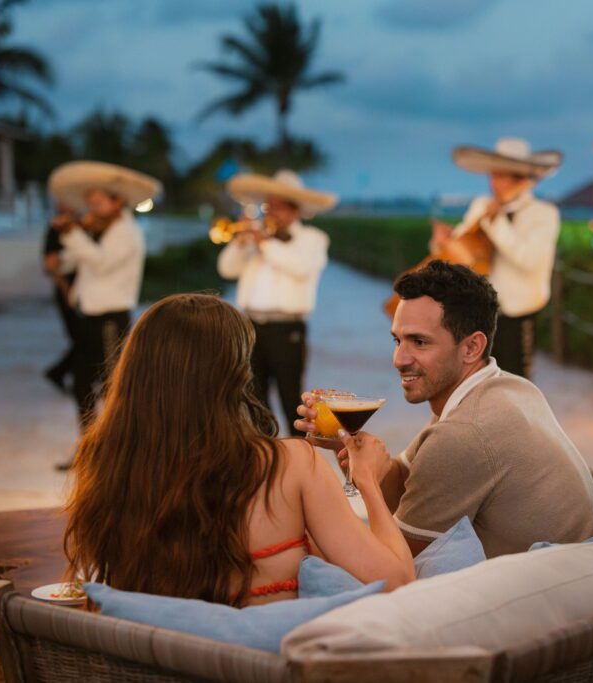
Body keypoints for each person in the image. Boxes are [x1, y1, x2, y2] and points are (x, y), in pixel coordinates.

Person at [63, 294, 414, 606]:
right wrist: (365, 478)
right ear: (234, 376)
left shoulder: (108, 464)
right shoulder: (289, 465)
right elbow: (395, 581)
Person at [296, 261, 593, 558]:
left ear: (472, 347)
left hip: (544, 602)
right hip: (584, 577)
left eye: (419, 342)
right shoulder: (508, 388)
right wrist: (350, 444)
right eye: (397, 340)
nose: (399, 360)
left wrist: (361, 479)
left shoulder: (464, 433)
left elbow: (393, 565)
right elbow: (404, 481)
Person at [48, 161, 157, 469]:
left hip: (112, 319)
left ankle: (120, 452)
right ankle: (90, 446)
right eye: (90, 203)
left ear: (116, 202)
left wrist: (73, 235)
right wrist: (64, 247)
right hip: (89, 317)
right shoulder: (97, 231)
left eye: (97, 203)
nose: (91, 208)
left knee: (113, 388)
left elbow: (101, 263)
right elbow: (73, 262)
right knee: (82, 384)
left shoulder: (127, 232)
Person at [432, 138, 563, 379]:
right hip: (480, 312)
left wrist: (495, 222)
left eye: (500, 176)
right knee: (477, 382)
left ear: (520, 178)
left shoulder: (544, 214)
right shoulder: (482, 205)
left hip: (517, 313)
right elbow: (463, 251)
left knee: (516, 384)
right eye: (492, 175)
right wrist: (443, 242)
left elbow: (529, 259)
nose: (493, 183)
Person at [218, 169, 335, 435]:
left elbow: (301, 268)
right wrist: (241, 243)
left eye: (278, 207)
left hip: (286, 329)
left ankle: (300, 457)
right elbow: (226, 269)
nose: (270, 213)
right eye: (268, 206)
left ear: (294, 211)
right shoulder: (256, 235)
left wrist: (266, 245)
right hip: (250, 326)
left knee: (290, 395)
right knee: (252, 397)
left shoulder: (313, 239)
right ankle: (264, 453)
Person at [42, 207, 78, 393]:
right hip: (68, 290)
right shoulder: (56, 227)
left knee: (83, 340)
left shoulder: (80, 223)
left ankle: (60, 373)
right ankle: (60, 373)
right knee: (81, 340)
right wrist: (67, 291)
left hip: (82, 290)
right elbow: (50, 263)